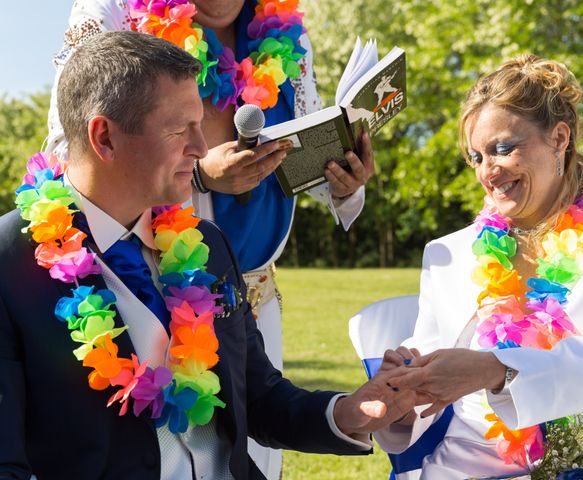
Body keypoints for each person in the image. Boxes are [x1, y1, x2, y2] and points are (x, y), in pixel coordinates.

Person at [0, 31, 413, 480]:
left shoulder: (206, 244)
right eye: (180, 129)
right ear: (105, 138)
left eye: (200, 125)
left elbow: (258, 396)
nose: (201, 149)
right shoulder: (10, 262)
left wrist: (349, 412)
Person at [374, 54, 583, 479]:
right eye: (476, 156)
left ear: (559, 137)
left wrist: (497, 370)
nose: (488, 171)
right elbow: (426, 408)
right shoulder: (448, 254)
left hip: (580, 469)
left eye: (503, 148)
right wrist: (400, 397)